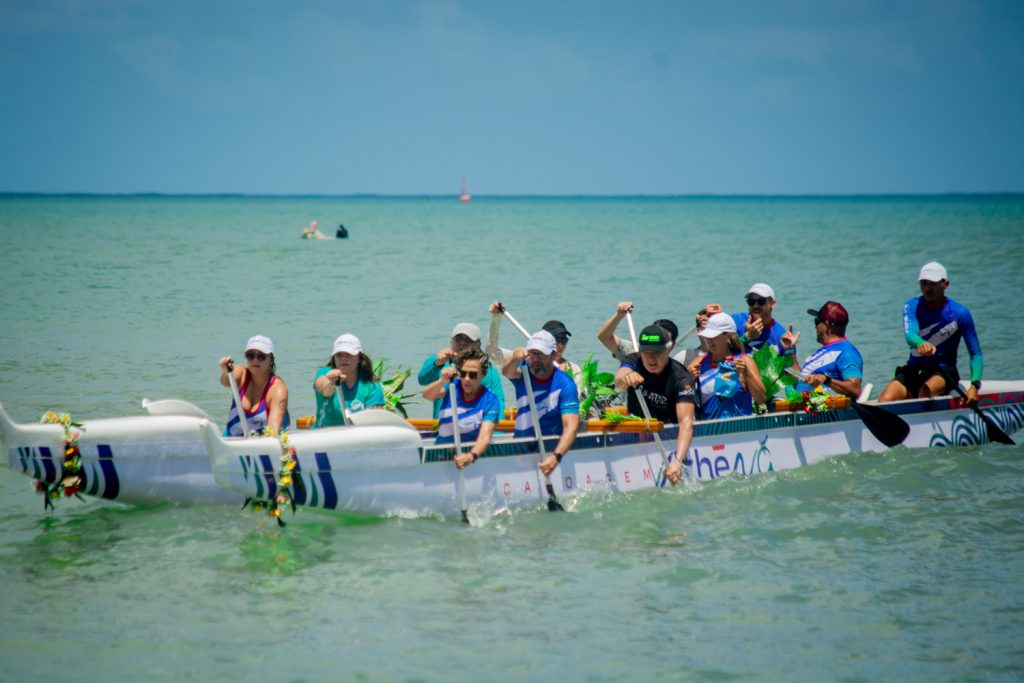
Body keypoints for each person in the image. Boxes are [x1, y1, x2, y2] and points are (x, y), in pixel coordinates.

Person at [878, 262, 983, 405]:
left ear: (945, 284)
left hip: (943, 371)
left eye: (932, 283)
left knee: (924, 392)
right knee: (884, 400)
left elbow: (975, 353)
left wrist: (974, 386)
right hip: (914, 369)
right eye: (924, 283)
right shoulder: (911, 306)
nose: (927, 288)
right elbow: (910, 335)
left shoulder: (960, 314)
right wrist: (921, 343)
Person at [614, 325, 698, 485]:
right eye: (646, 353)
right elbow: (618, 381)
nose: (651, 359)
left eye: (657, 353)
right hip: (637, 434)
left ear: (668, 350)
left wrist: (678, 461)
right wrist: (627, 377)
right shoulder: (633, 360)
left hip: (668, 436)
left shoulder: (681, 378)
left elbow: (686, 422)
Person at [503, 330, 581, 477]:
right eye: (532, 353)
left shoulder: (565, 384)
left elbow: (571, 426)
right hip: (521, 450)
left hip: (550, 452)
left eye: (541, 354)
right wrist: (514, 358)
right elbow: (507, 372)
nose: (535, 359)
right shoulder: (523, 372)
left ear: (554, 355)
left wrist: (556, 457)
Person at [421, 348, 501, 469]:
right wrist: (442, 381)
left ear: (483, 374)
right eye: (463, 374)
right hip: (439, 456)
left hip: (466, 459)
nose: (467, 379)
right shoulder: (453, 386)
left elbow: (485, 437)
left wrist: (471, 456)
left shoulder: (490, 401)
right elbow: (426, 395)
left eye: (473, 375)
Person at [419, 322, 505, 419]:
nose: (462, 343)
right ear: (451, 341)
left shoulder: (488, 371)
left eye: (468, 339)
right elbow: (422, 380)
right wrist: (437, 364)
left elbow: (498, 403)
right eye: (458, 338)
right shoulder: (438, 360)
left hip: (476, 427)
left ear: (478, 344)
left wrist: (497, 431)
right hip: (442, 427)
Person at [694, 313, 767, 418]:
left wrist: (746, 374)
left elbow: (761, 400)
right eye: (707, 336)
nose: (709, 340)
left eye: (713, 336)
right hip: (708, 431)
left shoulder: (745, 361)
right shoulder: (698, 363)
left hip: (738, 430)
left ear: (728, 336)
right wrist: (690, 379)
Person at [218, 335, 290, 436]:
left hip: (265, 444)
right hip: (232, 439)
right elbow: (225, 382)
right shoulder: (241, 374)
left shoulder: (277, 389)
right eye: (250, 355)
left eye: (261, 356)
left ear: (271, 360)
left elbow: (273, 431)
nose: (255, 360)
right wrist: (226, 371)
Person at [313, 334, 385, 427]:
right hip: (323, 435)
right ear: (334, 357)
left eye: (349, 354)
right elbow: (324, 389)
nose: (343, 359)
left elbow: (374, 420)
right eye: (339, 355)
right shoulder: (325, 373)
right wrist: (332, 382)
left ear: (359, 357)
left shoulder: (372, 385)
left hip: (355, 437)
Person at [797, 302, 864, 400]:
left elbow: (855, 390)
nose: (815, 326)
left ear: (826, 325)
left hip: (825, 412)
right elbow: (800, 379)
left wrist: (826, 380)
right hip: (805, 408)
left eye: (817, 321)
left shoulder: (847, 353)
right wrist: (789, 351)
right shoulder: (824, 351)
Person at [597, 301, 679, 361]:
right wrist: (619, 315)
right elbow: (604, 337)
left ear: (672, 345)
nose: (660, 343)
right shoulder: (634, 351)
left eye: (665, 340)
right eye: (658, 338)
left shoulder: (676, 368)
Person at [731, 284, 798, 357]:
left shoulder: (781, 336)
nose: (755, 306)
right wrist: (747, 337)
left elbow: (793, 368)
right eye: (751, 302)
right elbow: (721, 352)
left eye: (761, 301)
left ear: (772, 304)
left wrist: (790, 351)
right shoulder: (737, 321)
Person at [672, 303, 721, 367]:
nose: (710, 333)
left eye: (714, 328)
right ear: (698, 330)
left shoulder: (732, 358)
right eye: (705, 327)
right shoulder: (683, 357)